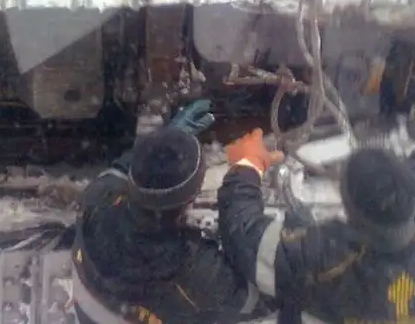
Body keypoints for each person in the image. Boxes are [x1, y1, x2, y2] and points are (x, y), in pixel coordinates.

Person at [217, 128, 415, 324]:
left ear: (352, 213)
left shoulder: (326, 259)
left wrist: (248, 165)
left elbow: (245, 237)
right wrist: (394, 173)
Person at [72, 101, 271, 324]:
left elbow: (118, 172)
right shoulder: (192, 271)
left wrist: (162, 143)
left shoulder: (98, 201)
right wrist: (246, 174)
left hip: (88, 312)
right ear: (190, 198)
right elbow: (254, 299)